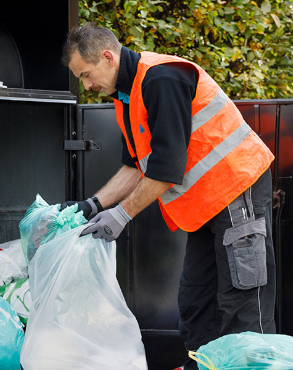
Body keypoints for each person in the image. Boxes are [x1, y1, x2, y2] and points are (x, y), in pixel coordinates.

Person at [60, 23, 276, 370]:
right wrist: (93, 205)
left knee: (243, 303)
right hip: (206, 206)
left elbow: (165, 168)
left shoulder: (162, 79)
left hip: (237, 190)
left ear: (107, 57)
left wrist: (122, 216)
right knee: (196, 302)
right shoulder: (126, 97)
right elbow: (135, 166)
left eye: (85, 75)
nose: (86, 86)